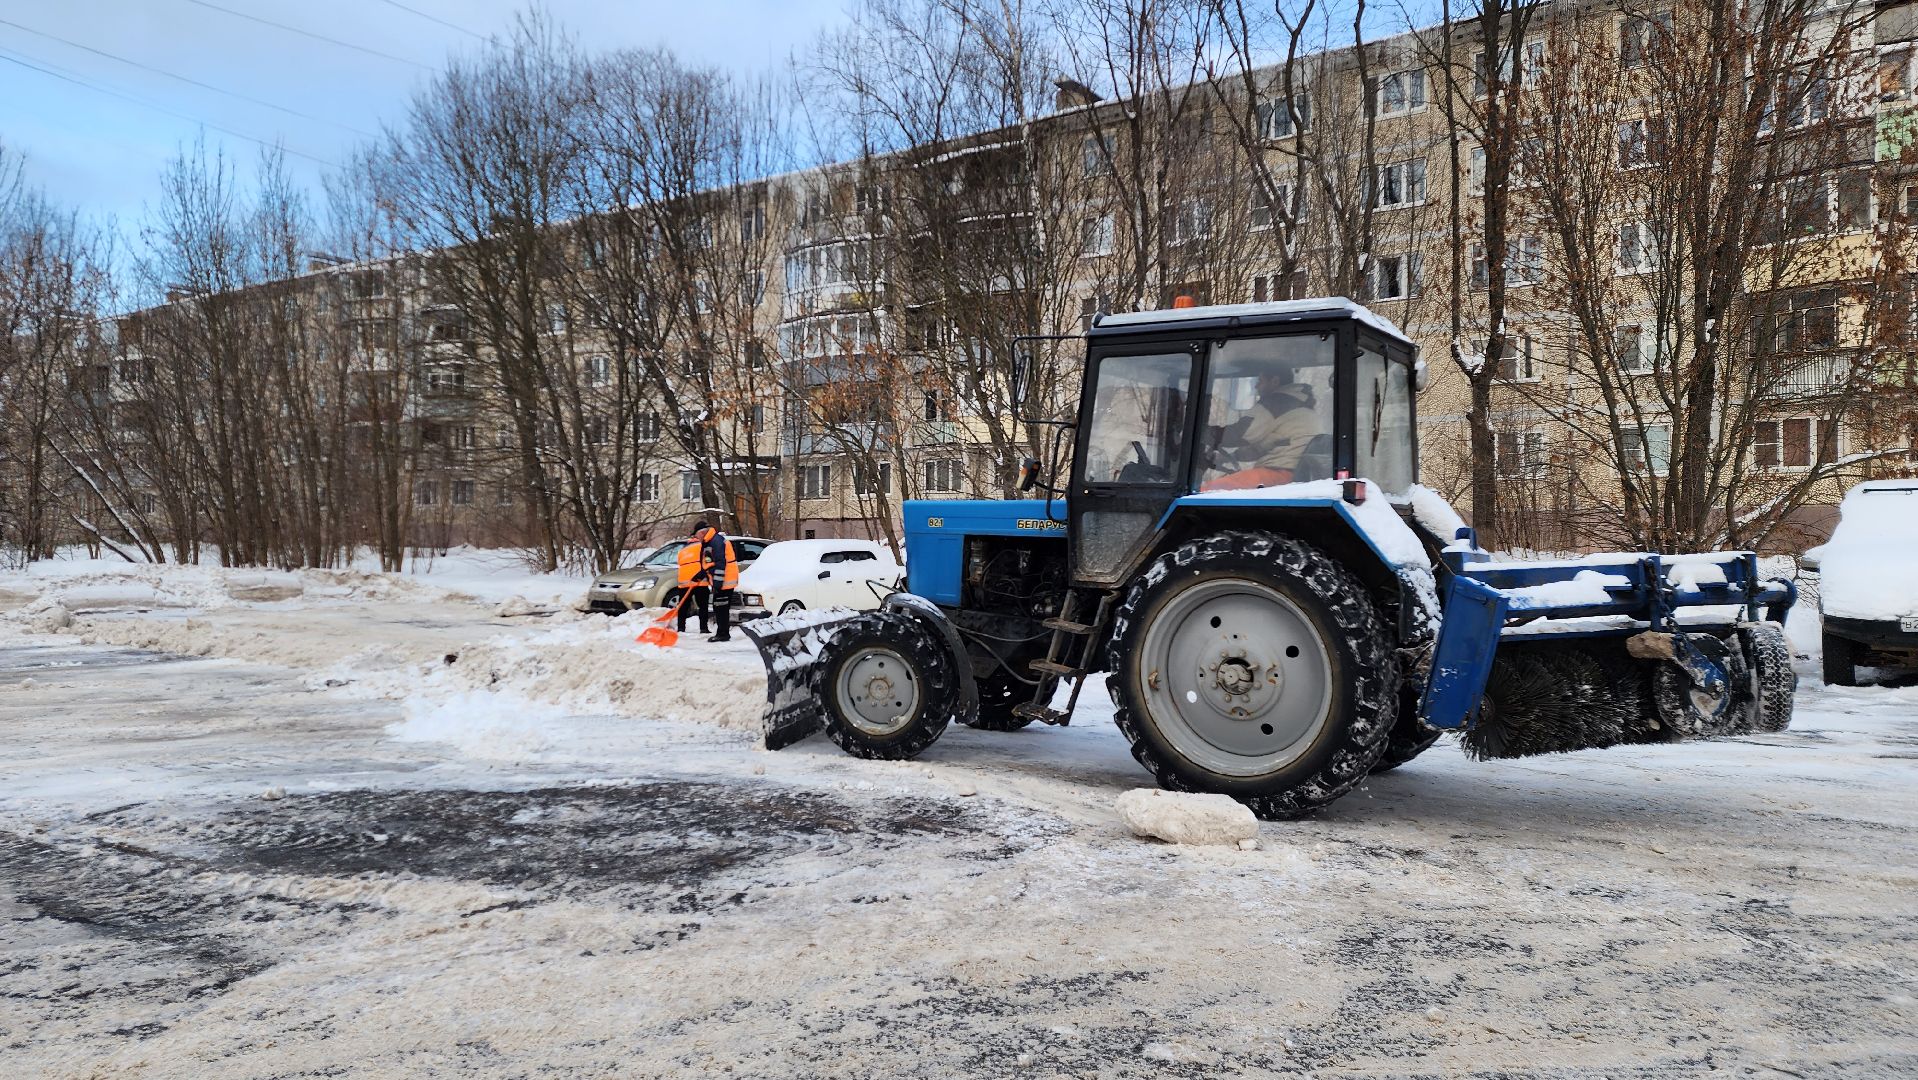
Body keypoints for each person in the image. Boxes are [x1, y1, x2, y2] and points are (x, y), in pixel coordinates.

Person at [1202, 373, 1322, 491]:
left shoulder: (1277, 402)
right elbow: (1261, 447)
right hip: (1292, 474)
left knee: (1208, 491)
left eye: (1260, 381)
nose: (1256, 387)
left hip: (1280, 474)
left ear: (1274, 381)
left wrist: (1201, 434)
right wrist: (1228, 458)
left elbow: (1240, 433)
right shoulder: (1299, 405)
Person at [677, 521, 741, 641]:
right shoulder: (709, 542)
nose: (697, 538)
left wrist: (717, 583)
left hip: (725, 581)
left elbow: (720, 563)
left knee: (721, 607)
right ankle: (722, 633)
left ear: (701, 532)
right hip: (721, 581)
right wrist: (700, 575)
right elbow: (708, 563)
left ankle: (723, 634)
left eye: (697, 535)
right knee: (719, 607)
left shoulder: (716, 541)